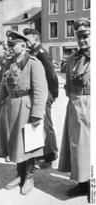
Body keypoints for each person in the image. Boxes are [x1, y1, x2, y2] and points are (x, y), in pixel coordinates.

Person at [0, 30, 48, 195]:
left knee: (29, 144)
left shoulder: (34, 63)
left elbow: (41, 91)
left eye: (13, 45)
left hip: (27, 107)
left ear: (24, 45)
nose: (10, 48)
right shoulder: (9, 63)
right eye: (9, 45)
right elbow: (3, 87)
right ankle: (20, 174)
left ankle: (29, 176)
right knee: (15, 143)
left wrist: (37, 114)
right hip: (11, 106)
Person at [58, 18, 90, 198]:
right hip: (75, 105)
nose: (82, 41)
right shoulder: (72, 58)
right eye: (79, 37)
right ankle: (82, 182)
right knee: (77, 146)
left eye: (86, 36)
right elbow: (68, 83)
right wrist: (72, 97)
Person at [23, 28, 59, 168]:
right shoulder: (33, 53)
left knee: (46, 124)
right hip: (37, 93)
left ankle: (50, 156)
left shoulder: (41, 53)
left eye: (28, 38)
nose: (26, 40)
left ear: (36, 38)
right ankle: (39, 154)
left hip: (45, 94)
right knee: (36, 123)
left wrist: (53, 94)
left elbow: (52, 74)